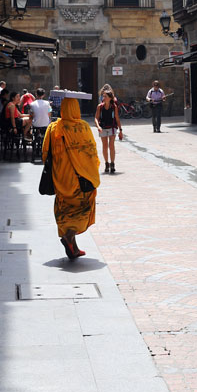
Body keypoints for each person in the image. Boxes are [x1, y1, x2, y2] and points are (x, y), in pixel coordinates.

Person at [42, 96, 100, 260]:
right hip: (80, 178)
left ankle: (73, 247)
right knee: (81, 208)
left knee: (65, 210)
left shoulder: (53, 128)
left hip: (60, 178)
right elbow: (91, 152)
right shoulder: (83, 127)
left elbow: (45, 153)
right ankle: (69, 236)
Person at [95, 84, 122, 175]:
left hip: (112, 127)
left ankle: (112, 164)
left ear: (110, 98)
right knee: (105, 146)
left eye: (105, 96)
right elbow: (96, 118)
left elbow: (117, 118)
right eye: (103, 96)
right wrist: (98, 126)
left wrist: (121, 130)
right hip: (103, 127)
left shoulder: (114, 107)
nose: (103, 98)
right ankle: (106, 163)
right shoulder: (100, 106)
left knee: (111, 145)